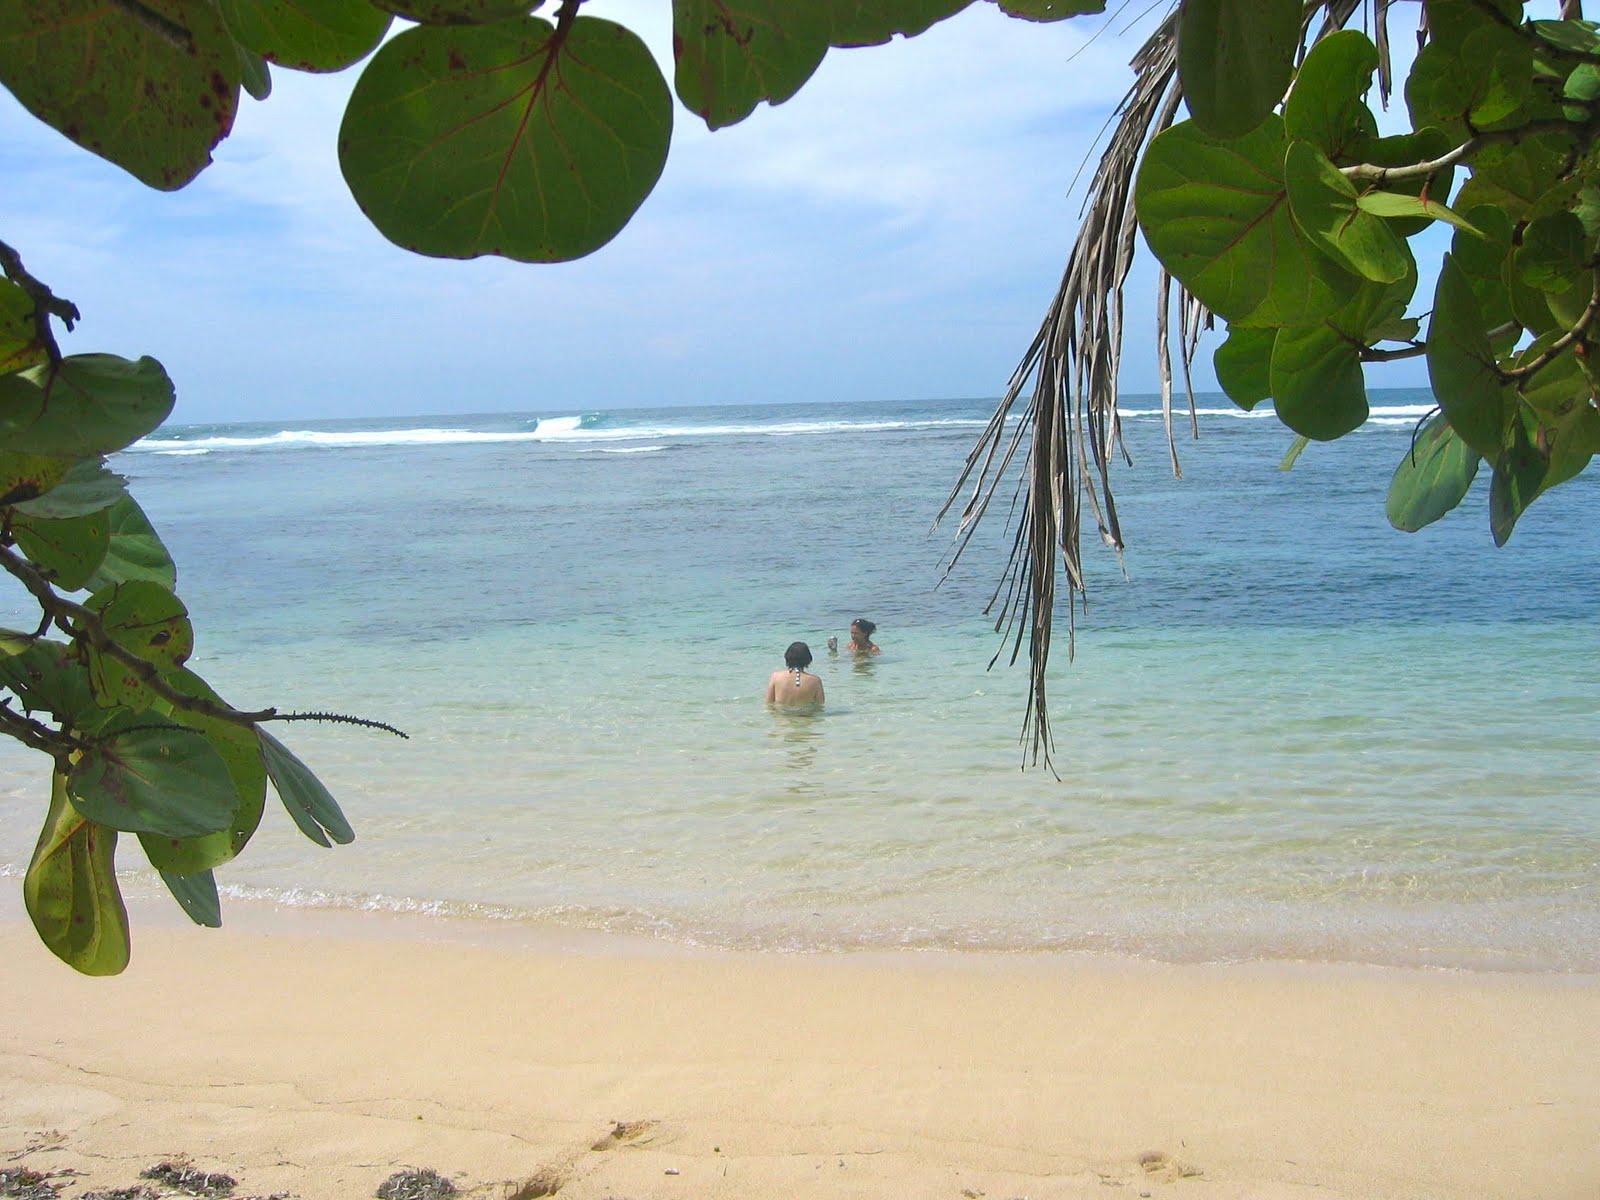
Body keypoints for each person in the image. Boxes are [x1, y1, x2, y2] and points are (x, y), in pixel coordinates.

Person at [766, 641, 824, 707]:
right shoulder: (815, 681)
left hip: (781, 713)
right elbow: (820, 706)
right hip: (805, 713)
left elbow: (769, 704)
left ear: (787, 657)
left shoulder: (775, 677)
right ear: (808, 659)